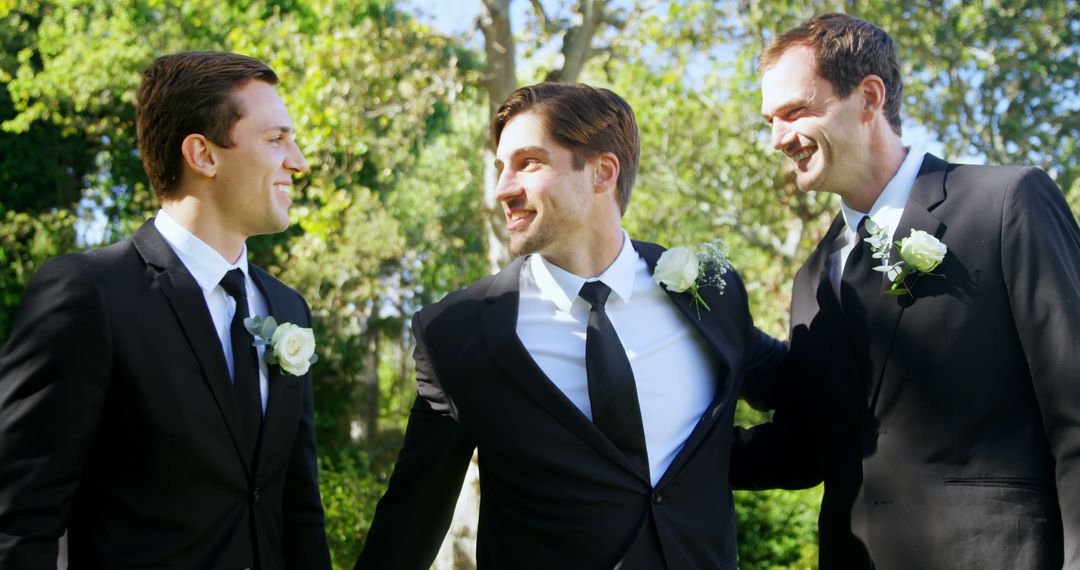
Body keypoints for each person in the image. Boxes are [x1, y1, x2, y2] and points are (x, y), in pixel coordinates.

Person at [356, 82, 784, 569]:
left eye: (528, 163)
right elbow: (411, 517)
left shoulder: (707, 290)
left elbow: (802, 405)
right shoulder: (457, 332)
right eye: (502, 168)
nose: (503, 189)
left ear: (602, 172)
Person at [731, 13, 1080, 569]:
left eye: (795, 112)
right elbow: (805, 448)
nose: (778, 139)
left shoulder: (1007, 203)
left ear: (869, 96)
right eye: (770, 120)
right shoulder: (813, 279)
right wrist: (646, 459)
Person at [0, 51, 332, 568]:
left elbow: (299, 511)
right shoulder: (87, 295)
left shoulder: (288, 308)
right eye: (276, 139)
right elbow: (18, 520)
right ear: (203, 154)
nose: (299, 160)